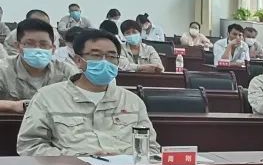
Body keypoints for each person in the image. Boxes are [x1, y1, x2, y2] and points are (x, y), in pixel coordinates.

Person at [18, 28, 159, 157]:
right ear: (79, 60)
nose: (105, 62)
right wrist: (75, 159)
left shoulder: (132, 101)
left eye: (111, 56)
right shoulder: (47, 97)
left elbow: (151, 148)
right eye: (96, 55)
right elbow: (30, 146)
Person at [0, 19, 76, 113]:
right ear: (18, 46)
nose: (37, 49)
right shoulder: (3, 70)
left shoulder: (67, 72)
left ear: (53, 48)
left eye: (43, 44)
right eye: (29, 44)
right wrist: (13, 105)